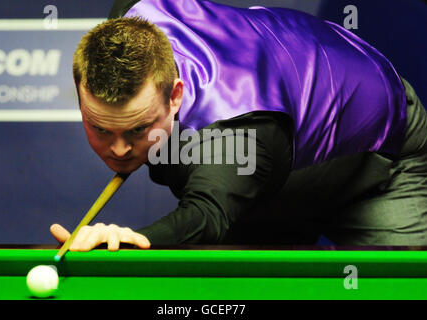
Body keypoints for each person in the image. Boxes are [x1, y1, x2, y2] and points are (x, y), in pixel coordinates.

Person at [50, 0, 427, 251]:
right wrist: (141, 134)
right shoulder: (127, 28)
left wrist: (132, 240)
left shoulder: (236, 133)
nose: (118, 149)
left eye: (137, 129)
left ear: (175, 95)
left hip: (375, 148)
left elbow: (206, 214)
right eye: (102, 129)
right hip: (272, 165)